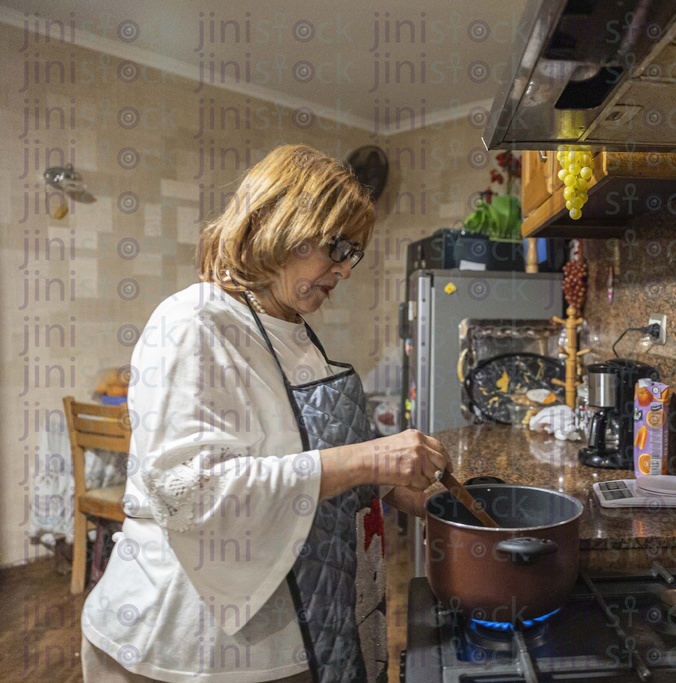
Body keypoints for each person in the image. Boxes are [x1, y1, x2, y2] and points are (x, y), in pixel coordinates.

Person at [80, 144, 451, 683]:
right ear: (276, 224)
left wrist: (409, 494)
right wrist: (370, 459)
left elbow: (309, 456)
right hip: (189, 645)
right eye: (337, 247)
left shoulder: (295, 333)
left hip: (306, 626)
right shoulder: (193, 323)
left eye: (354, 253)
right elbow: (187, 491)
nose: (346, 270)